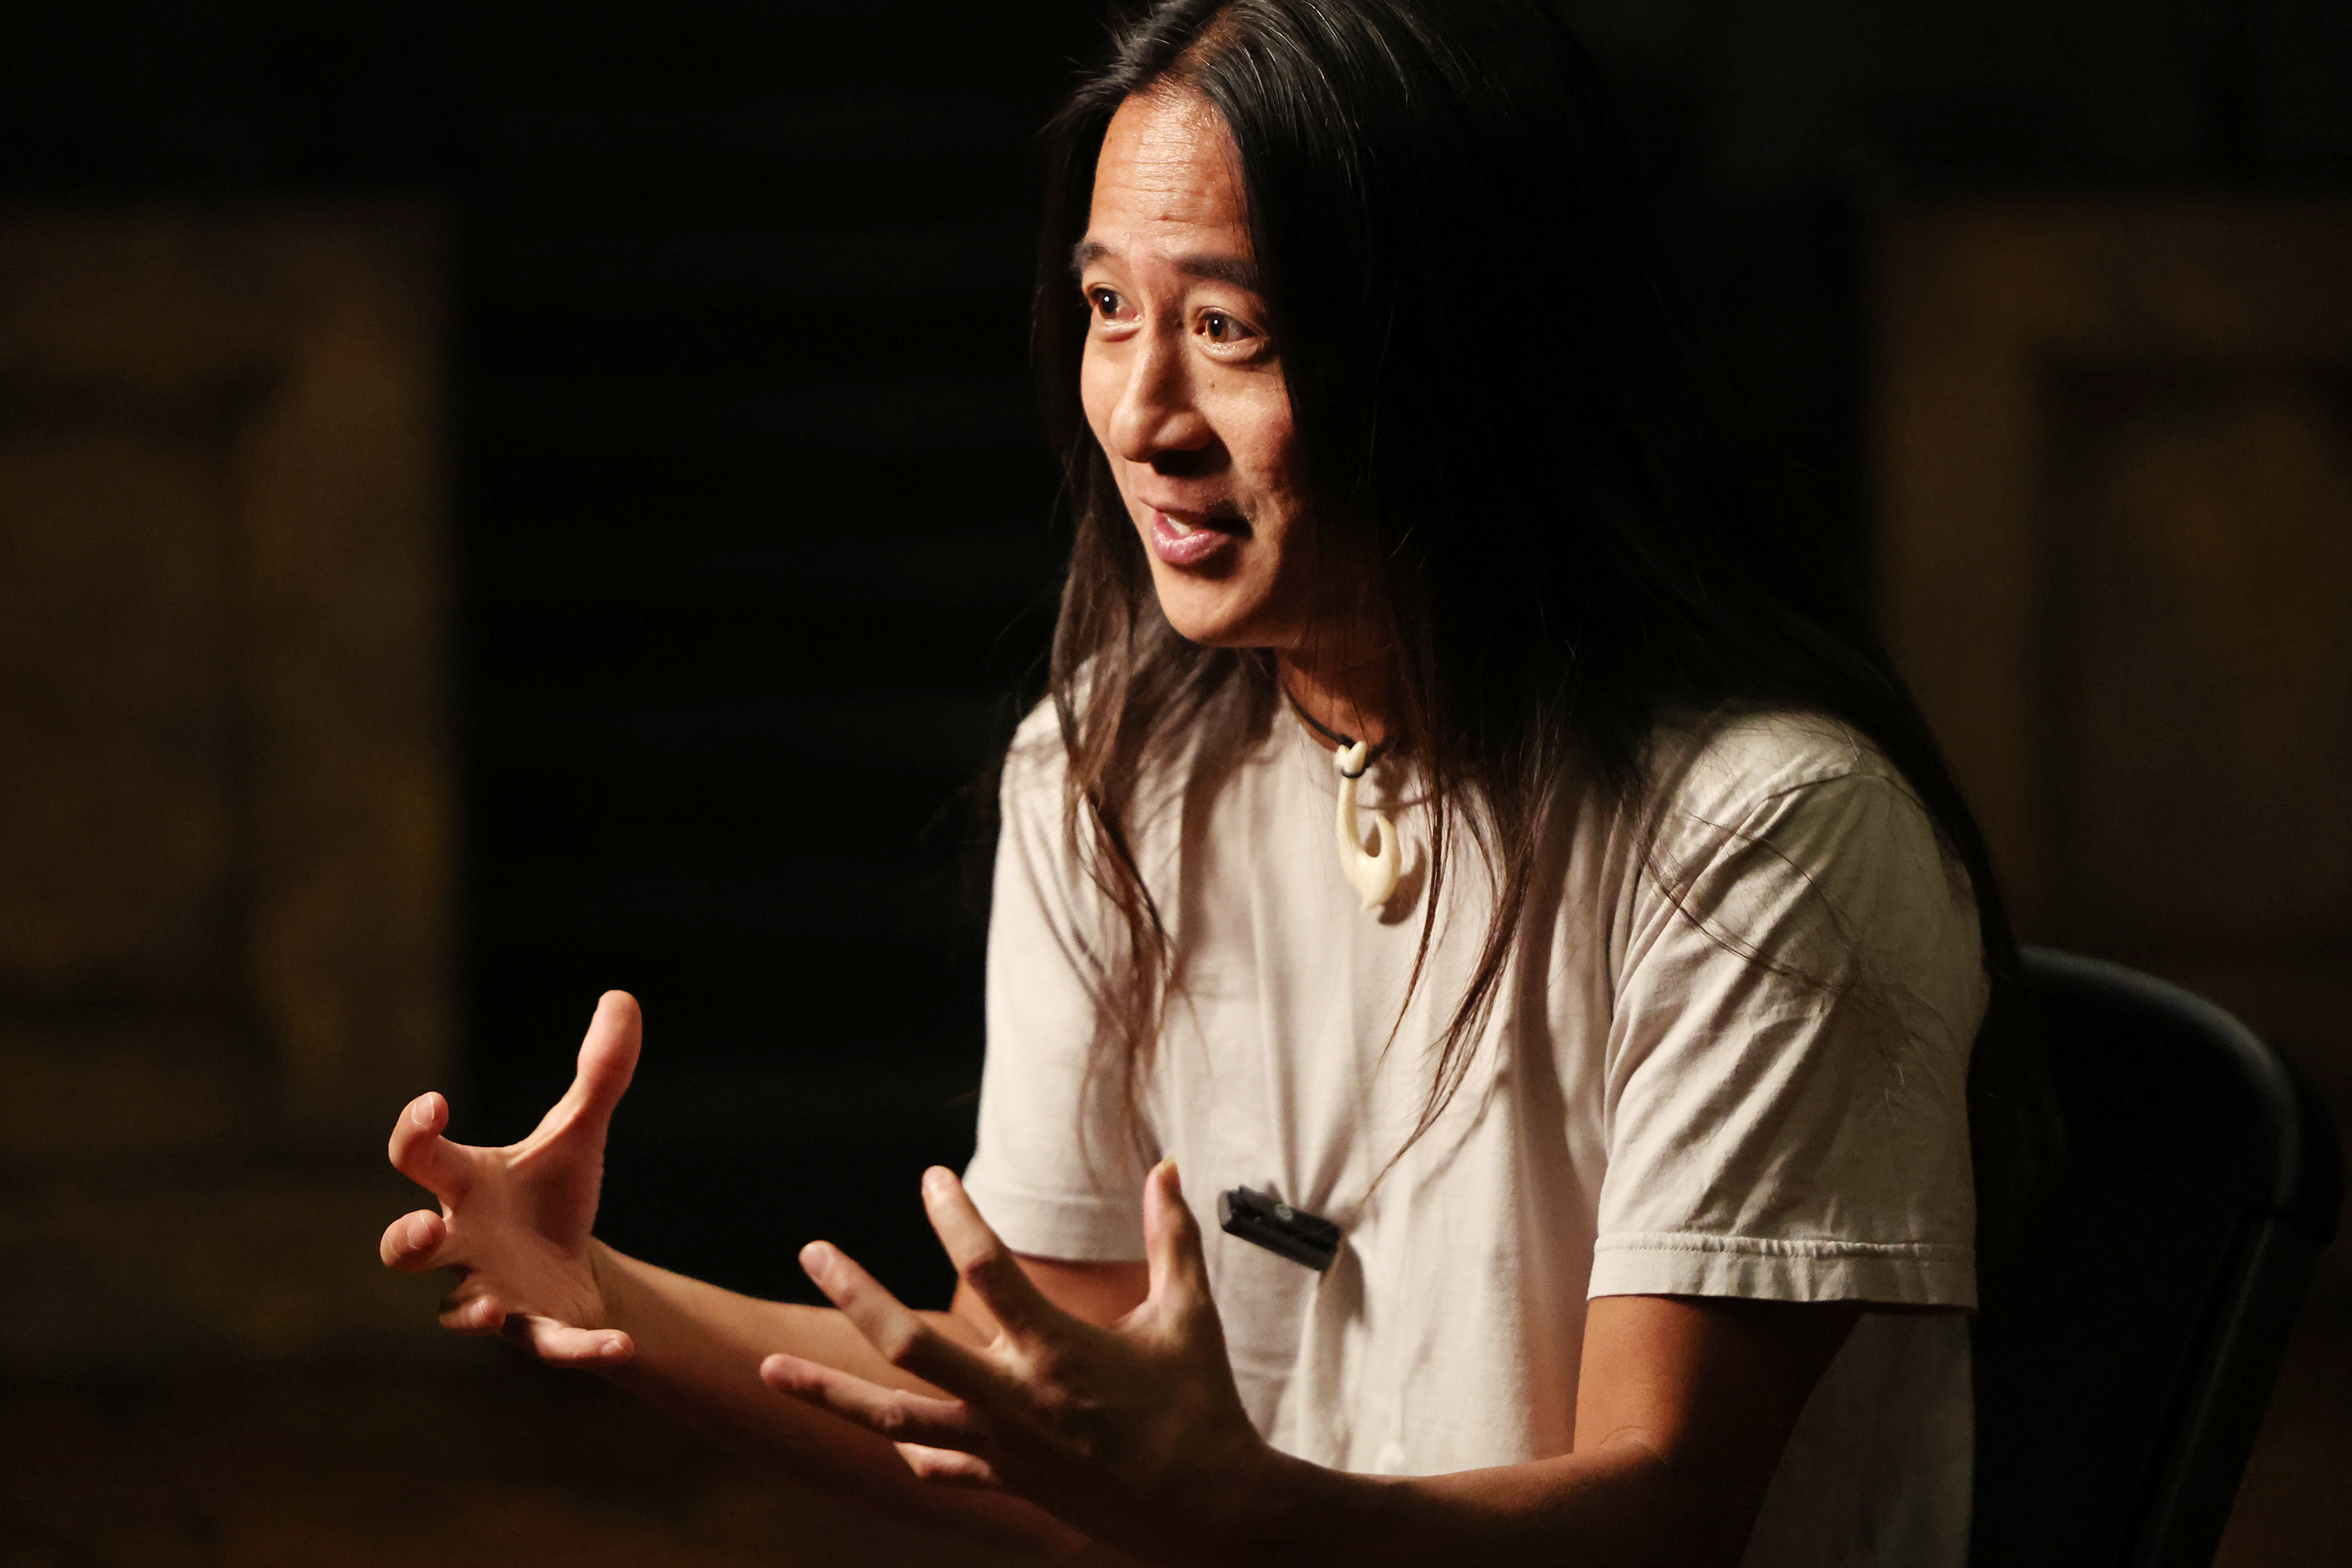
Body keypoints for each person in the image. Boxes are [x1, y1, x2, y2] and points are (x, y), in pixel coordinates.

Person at [379, 2, 2055, 1563]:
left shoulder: (1763, 836)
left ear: (1460, 357)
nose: (1142, 410)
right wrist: (590, 1286)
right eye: (1112, 308)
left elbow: (1667, 1510)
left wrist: (1230, 1508)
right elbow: (1045, 1412)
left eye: (1230, 328)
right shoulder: (1114, 774)